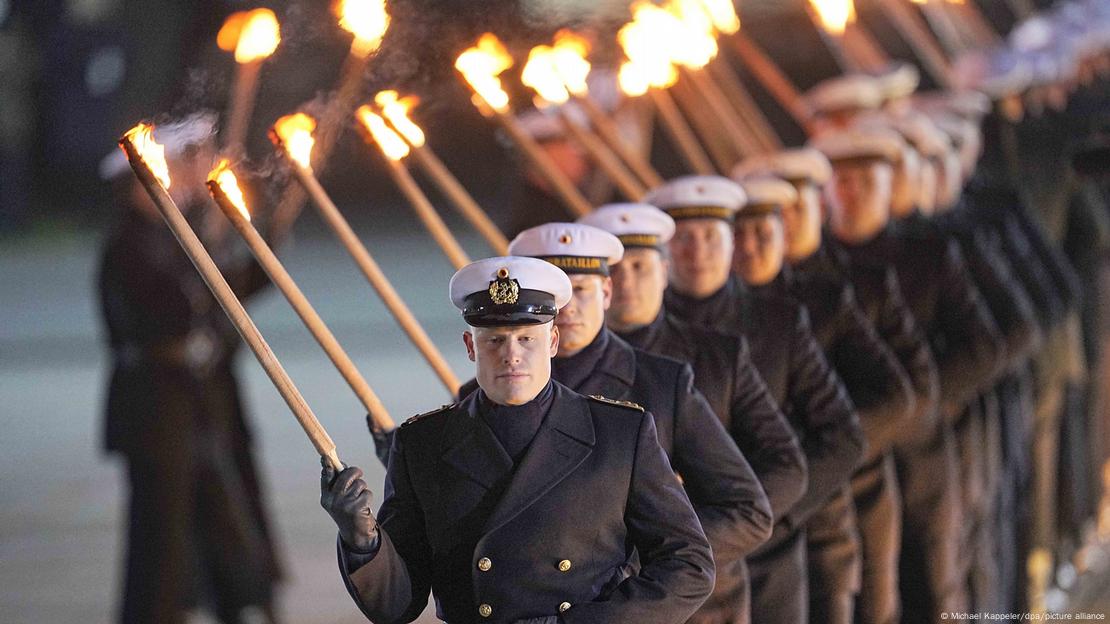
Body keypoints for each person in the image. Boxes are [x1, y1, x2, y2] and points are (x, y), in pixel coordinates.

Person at [321, 256, 717, 623]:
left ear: (553, 342)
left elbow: (689, 564)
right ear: (470, 346)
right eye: (494, 340)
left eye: (526, 338)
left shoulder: (619, 434)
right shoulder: (423, 443)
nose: (511, 355)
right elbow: (396, 606)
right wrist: (361, 539)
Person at [555, 210, 809, 624]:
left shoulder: (686, 371)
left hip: (697, 598)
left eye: (641, 267)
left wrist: (659, 549)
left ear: (664, 271)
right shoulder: (522, 387)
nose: (629, 284)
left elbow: (756, 495)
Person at [648, 175, 865, 624]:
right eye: (684, 239)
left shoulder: (779, 323)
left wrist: (762, 515)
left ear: (729, 246)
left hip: (773, 551)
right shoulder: (644, 340)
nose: (699, 252)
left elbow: (841, 435)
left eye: (711, 237)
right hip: (678, 565)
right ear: (665, 254)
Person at [98, 114, 283, 624]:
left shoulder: (177, 234)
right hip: (157, 406)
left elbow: (228, 295)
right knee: (161, 531)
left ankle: (239, 599)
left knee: (219, 517)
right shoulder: (129, 244)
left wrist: (261, 238)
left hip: (198, 402)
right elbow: (173, 308)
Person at [815, 126, 1005, 624]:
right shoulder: (817, 272)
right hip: (857, 465)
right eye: (842, 182)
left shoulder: (925, 254)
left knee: (933, 583)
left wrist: (920, 403)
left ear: (890, 184)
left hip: (922, 453)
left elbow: (985, 345)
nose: (852, 193)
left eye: (866, 182)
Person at [733, 149, 916, 624]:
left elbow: (895, 397)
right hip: (750, 540)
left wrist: (815, 464)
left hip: (830, 509)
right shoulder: (716, 321)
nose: (753, 245)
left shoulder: (822, 299)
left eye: (771, 224)